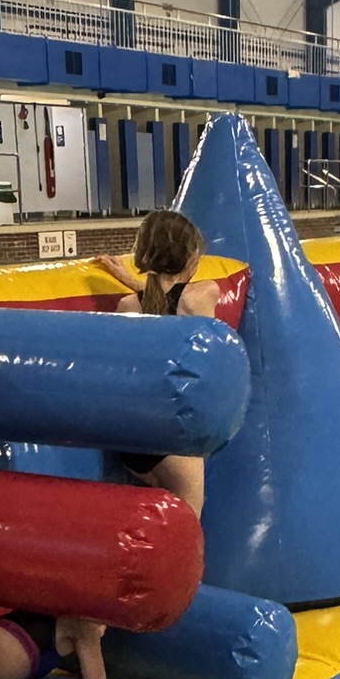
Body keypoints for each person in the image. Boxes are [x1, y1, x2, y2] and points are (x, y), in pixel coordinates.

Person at [97, 210, 222, 515]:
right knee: (189, 525)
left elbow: (158, 302)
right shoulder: (204, 295)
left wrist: (130, 280)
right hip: (173, 438)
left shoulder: (127, 307)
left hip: (131, 441)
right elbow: (176, 304)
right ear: (191, 259)